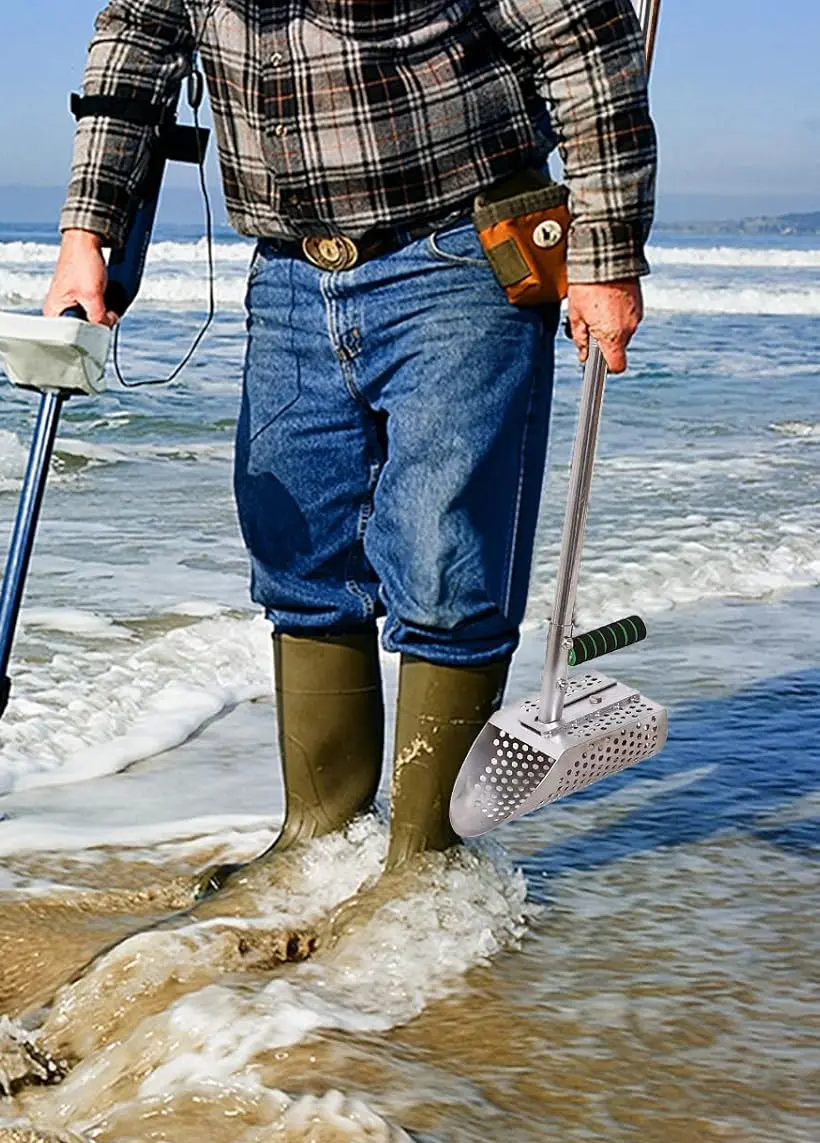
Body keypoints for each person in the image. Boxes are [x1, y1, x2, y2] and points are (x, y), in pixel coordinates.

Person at [44, 0, 656, 894]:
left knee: (445, 557)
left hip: (460, 249)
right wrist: (84, 236)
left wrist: (604, 255)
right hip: (289, 266)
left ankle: (423, 864)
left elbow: (582, 39)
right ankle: (320, 837)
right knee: (298, 555)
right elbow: (136, 40)